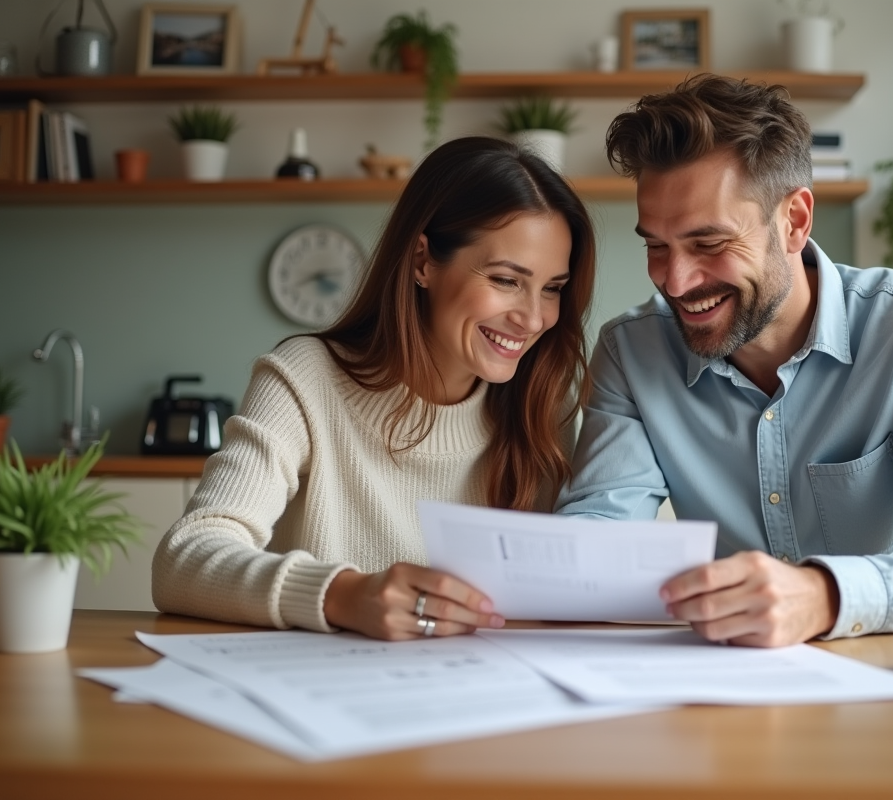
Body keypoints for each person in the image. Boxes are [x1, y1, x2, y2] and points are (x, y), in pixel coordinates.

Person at [556, 75, 893, 647]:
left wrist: (825, 595)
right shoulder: (630, 353)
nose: (675, 281)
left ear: (795, 222)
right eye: (657, 245)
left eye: (709, 244)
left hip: (890, 679)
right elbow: (601, 533)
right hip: (727, 685)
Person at [153, 137, 596, 641]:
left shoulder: (546, 401)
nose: (534, 317)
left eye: (553, 288)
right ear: (423, 261)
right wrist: (343, 595)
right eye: (505, 280)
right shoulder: (304, 379)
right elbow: (183, 560)